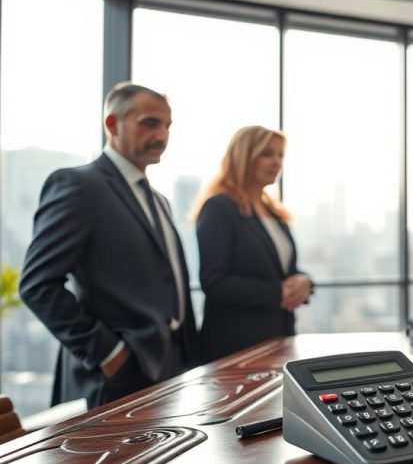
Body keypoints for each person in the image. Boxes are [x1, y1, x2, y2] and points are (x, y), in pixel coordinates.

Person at [19, 82, 197, 409]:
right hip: (116, 376)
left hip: (171, 367)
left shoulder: (159, 200)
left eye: (167, 125)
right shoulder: (79, 186)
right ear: (112, 124)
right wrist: (110, 354)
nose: (162, 135)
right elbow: (37, 286)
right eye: (149, 123)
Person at [194, 126, 313, 363]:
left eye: (280, 155)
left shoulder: (274, 213)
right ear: (243, 156)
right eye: (267, 153)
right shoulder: (219, 208)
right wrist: (276, 292)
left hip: (279, 340)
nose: (276, 162)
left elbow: (285, 270)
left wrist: (305, 282)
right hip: (235, 348)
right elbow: (214, 281)